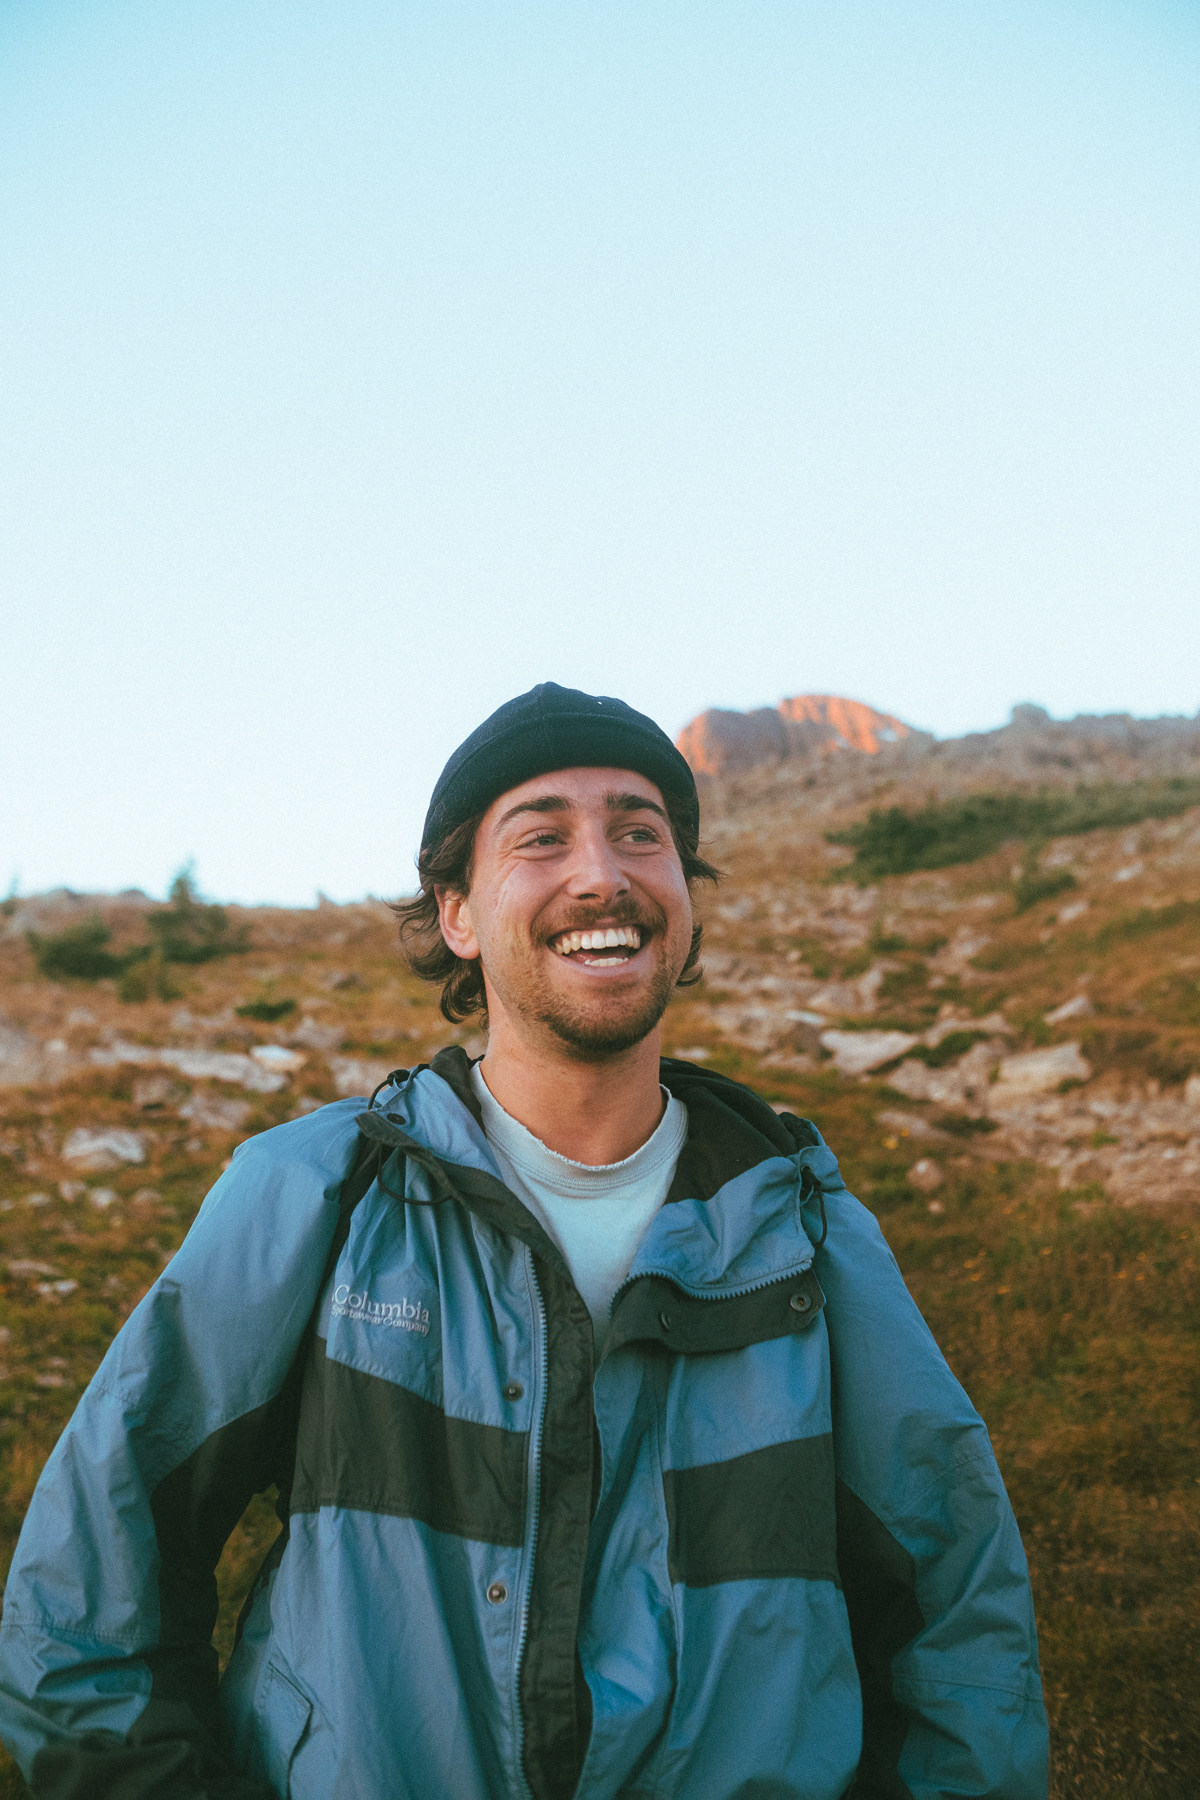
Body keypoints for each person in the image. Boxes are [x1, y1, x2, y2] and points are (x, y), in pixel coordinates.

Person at [0, 683, 1049, 1799]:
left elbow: (961, 1620)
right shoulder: (315, 1194)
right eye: (541, 837)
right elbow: (83, 1600)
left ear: (682, 896)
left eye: (642, 833)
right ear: (456, 913)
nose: (603, 872)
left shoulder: (803, 1228)